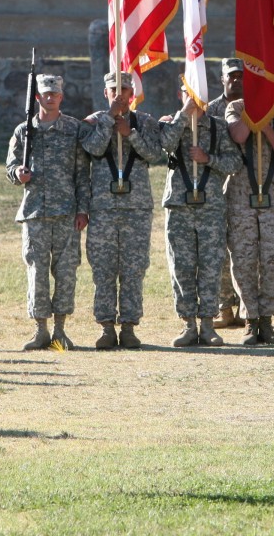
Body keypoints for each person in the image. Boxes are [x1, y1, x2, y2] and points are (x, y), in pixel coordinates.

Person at [6, 73, 90, 350]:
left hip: (67, 213)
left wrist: (82, 209)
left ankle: (60, 331)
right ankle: (40, 329)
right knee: (37, 272)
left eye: (55, 93)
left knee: (66, 271)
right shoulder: (23, 132)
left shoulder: (73, 129)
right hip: (35, 213)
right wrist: (19, 174)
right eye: (45, 94)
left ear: (61, 97)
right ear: (37, 97)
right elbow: (11, 167)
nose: (50, 97)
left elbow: (82, 174)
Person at [81, 72, 162, 350]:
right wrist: (108, 120)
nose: (120, 94)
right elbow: (92, 149)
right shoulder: (92, 121)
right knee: (103, 269)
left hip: (136, 208)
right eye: (114, 89)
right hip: (103, 207)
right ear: (106, 93)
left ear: (132, 94)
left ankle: (129, 326)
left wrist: (132, 134)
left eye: (125, 90)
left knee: (134, 268)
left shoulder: (145, 121)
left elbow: (155, 154)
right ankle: (106, 326)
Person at [160, 83, 243, 348]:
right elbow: (163, 146)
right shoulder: (172, 123)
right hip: (179, 207)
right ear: (180, 95)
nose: (192, 99)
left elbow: (235, 163)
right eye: (187, 93)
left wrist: (208, 159)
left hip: (210, 208)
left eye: (196, 94)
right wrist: (184, 115)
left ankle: (208, 324)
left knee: (210, 267)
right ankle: (188, 325)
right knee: (181, 267)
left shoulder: (218, 127)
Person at [225, 97, 274, 345]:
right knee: (243, 260)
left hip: (272, 198)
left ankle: (266, 320)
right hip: (240, 197)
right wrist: (254, 114)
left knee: (272, 259)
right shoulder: (236, 108)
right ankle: (250, 320)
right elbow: (239, 136)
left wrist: (267, 127)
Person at [208, 57, 245, 329]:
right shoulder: (210, 111)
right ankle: (225, 308)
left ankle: (247, 307)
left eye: (240, 76)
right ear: (222, 79)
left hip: (251, 186)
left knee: (246, 250)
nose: (235, 80)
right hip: (218, 187)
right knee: (220, 251)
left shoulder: (257, 107)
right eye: (230, 76)